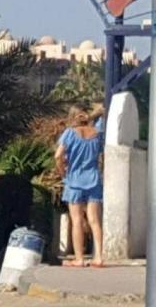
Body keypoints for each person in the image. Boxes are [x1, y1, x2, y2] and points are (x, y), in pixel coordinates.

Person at [56, 106, 104, 268]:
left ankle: (79, 258)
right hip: (93, 179)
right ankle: (98, 257)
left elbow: (58, 155)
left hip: (74, 181)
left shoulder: (69, 133)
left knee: (76, 220)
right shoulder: (97, 134)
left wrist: (63, 172)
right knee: (94, 220)